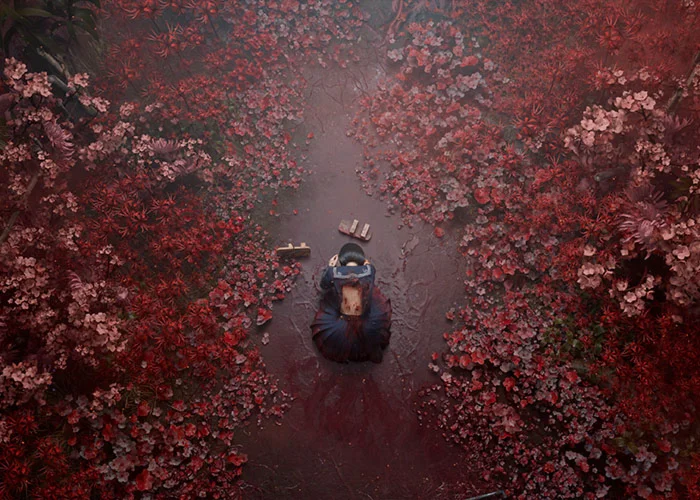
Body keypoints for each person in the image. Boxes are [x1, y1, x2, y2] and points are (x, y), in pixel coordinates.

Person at [311, 243, 392, 363]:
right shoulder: (370, 270)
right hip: (366, 318)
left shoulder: (333, 272)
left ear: (341, 260)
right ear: (361, 260)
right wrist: (366, 264)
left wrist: (330, 267)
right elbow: (369, 269)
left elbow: (324, 285)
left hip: (342, 319)